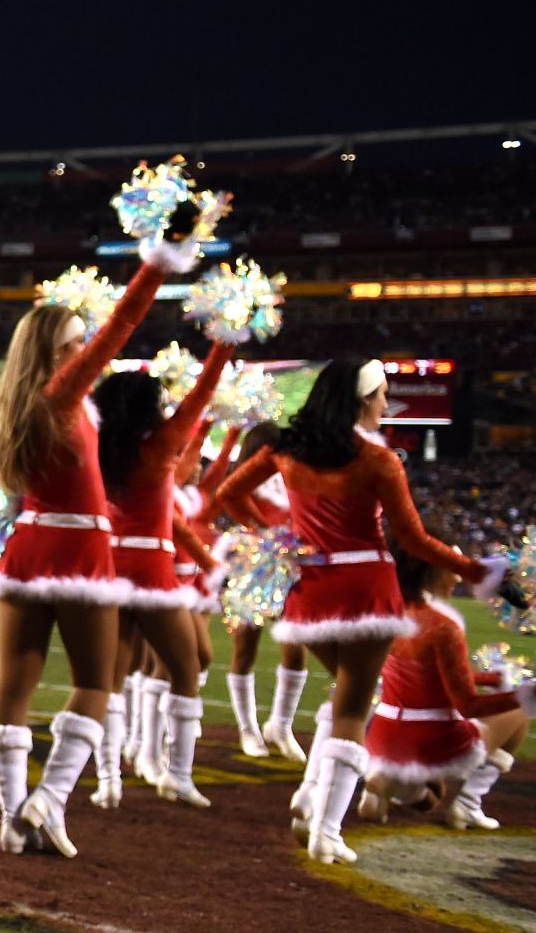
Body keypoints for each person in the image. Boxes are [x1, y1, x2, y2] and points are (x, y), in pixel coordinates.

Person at [0, 229, 200, 858]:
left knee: (12, 685)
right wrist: (156, 264)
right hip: (80, 554)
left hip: (25, 551)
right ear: (54, 354)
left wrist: (23, 495)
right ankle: (49, 801)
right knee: (96, 682)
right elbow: (122, 326)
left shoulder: (11, 407)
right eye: (73, 345)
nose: (84, 353)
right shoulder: (64, 395)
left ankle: (13, 818)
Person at [217, 358, 505, 866]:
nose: (384, 404)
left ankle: (311, 796)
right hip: (367, 590)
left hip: (309, 589)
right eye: (381, 395)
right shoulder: (378, 460)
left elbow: (228, 493)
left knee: (347, 696)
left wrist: (278, 541)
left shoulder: (285, 449)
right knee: (354, 709)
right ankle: (326, 830)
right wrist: (476, 570)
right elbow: (413, 539)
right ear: (360, 399)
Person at [88, 338, 233, 810]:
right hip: (152, 568)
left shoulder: (100, 447)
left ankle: (108, 781)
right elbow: (203, 392)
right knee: (187, 671)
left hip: (108, 567)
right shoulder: (162, 445)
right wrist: (223, 345)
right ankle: (178, 776)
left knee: (109, 680)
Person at [355, 535, 536, 830]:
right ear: (431, 571)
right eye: (452, 567)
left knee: (430, 798)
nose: (457, 577)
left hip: (381, 735)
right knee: (520, 714)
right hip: (431, 739)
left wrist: (491, 678)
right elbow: (468, 704)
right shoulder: (442, 626)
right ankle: (468, 805)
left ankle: (388, 782)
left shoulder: (384, 610)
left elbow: (422, 676)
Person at [214, 422, 315, 760]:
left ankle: (281, 725)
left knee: (296, 649)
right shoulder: (246, 475)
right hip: (252, 565)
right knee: (245, 650)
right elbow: (226, 501)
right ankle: (248, 728)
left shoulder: (295, 473)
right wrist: (267, 532)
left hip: (290, 568)